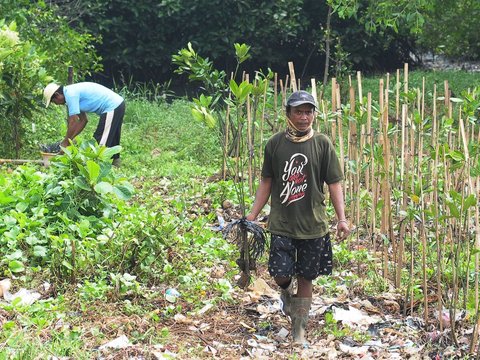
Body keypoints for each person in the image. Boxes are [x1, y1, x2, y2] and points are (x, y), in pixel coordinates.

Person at [245, 90, 350, 345]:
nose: (304, 117)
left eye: (308, 111)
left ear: (314, 114)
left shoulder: (323, 144)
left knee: (306, 277)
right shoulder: (275, 144)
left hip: (314, 225)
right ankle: (285, 294)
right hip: (282, 223)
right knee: (280, 274)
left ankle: (298, 332)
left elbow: (334, 183)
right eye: (298, 112)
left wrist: (342, 219)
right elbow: (266, 181)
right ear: (288, 114)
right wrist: (251, 216)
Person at [43, 82, 125, 166]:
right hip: (117, 104)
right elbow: (83, 120)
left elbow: (73, 121)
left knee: (99, 143)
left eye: (54, 101)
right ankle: (116, 165)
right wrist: (70, 139)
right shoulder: (70, 95)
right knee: (112, 138)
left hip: (112, 106)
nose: (56, 104)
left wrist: (65, 142)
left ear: (57, 94)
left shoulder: (71, 95)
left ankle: (96, 170)